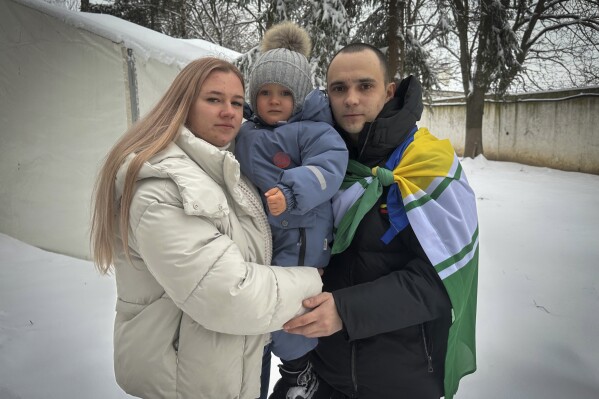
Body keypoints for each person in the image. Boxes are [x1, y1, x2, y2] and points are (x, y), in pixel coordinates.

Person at [89, 57, 323, 399]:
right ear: (183, 104)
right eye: (214, 100)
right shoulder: (162, 188)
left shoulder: (225, 169)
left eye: (236, 103)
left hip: (219, 374)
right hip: (181, 382)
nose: (229, 111)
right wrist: (315, 283)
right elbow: (228, 295)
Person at [283, 43, 479, 399]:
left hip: (403, 379)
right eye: (339, 89)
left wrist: (346, 310)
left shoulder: (427, 164)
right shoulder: (318, 162)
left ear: (389, 92)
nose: (351, 99)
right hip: (324, 370)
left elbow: (440, 282)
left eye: (365, 86)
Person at [234, 22, 348, 399]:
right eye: (264, 92)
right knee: (260, 306)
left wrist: (291, 191)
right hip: (263, 237)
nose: (274, 100)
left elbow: (329, 167)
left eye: (285, 92)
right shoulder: (245, 130)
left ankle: (300, 374)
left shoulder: (314, 131)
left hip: (303, 237)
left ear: (299, 97)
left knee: (293, 312)